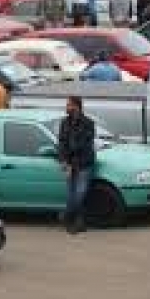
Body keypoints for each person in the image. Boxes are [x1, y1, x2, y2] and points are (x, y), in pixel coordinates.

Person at [58, 96, 95, 235]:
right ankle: (77, 222)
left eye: (68, 105)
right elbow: (62, 142)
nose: (66, 107)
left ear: (76, 107)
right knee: (71, 194)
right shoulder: (64, 122)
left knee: (80, 193)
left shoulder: (88, 123)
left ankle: (67, 215)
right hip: (69, 163)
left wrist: (71, 158)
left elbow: (84, 144)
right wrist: (63, 161)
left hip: (83, 163)